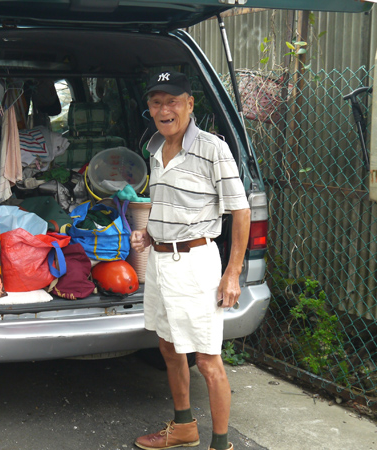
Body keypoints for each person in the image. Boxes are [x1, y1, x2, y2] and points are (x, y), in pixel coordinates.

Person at [131, 71, 251, 450]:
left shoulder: (213, 149)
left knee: (207, 358)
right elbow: (170, 205)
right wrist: (150, 232)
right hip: (161, 262)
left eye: (173, 101)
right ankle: (184, 427)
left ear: (189, 104)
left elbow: (241, 211)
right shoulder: (154, 148)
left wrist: (232, 272)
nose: (164, 110)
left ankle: (221, 444)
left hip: (196, 262)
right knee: (167, 345)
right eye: (156, 102)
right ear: (149, 108)